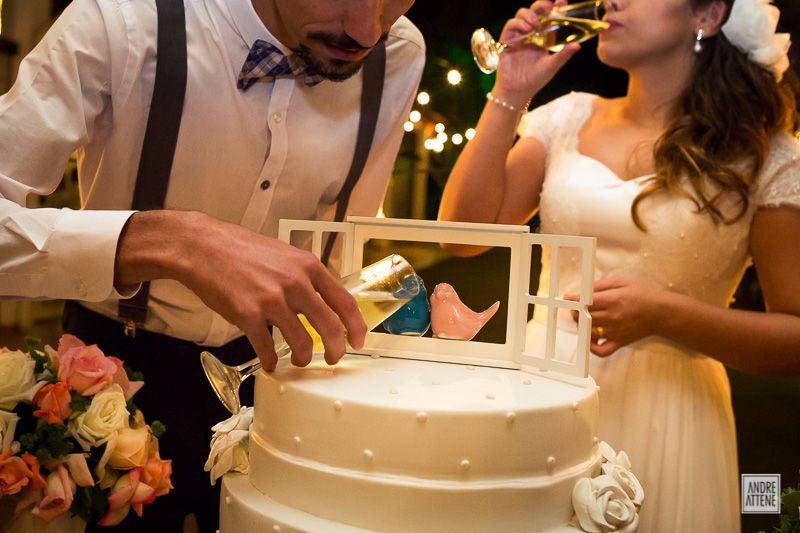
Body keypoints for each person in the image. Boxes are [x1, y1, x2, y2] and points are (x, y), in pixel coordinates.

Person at [0, 0, 424, 530]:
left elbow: (343, 237)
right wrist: (170, 241)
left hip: (278, 378)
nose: (367, 31)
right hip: (118, 374)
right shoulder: (126, 18)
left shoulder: (399, 54)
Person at [439, 0, 800, 530]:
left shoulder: (764, 155)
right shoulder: (566, 118)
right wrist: (510, 90)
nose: (612, 0)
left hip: (671, 412)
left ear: (707, 15)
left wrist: (667, 315)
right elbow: (460, 236)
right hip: (543, 391)